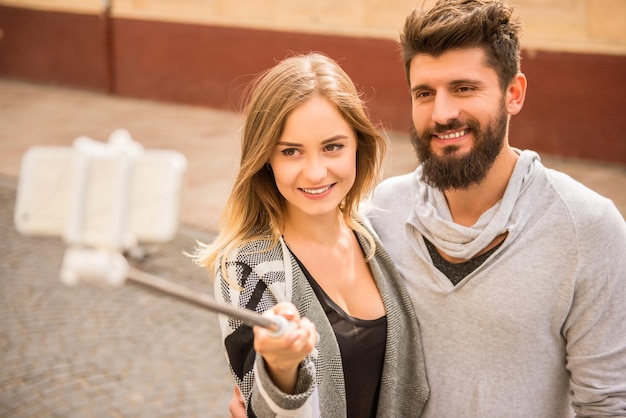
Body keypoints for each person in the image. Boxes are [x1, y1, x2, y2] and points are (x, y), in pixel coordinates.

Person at [366, 0, 626, 417]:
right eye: (425, 93)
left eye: (464, 88)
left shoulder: (587, 227)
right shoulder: (382, 211)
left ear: (513, 94)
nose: (443, 113)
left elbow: (609, 403)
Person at [193, 52, 429, 417]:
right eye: (291, 152)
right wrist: (282, 367)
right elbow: (260, 405)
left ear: (357, 145)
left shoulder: (377, 232)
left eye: (332, 146)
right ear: (266, 159)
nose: (315, 172)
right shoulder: (245, 267)